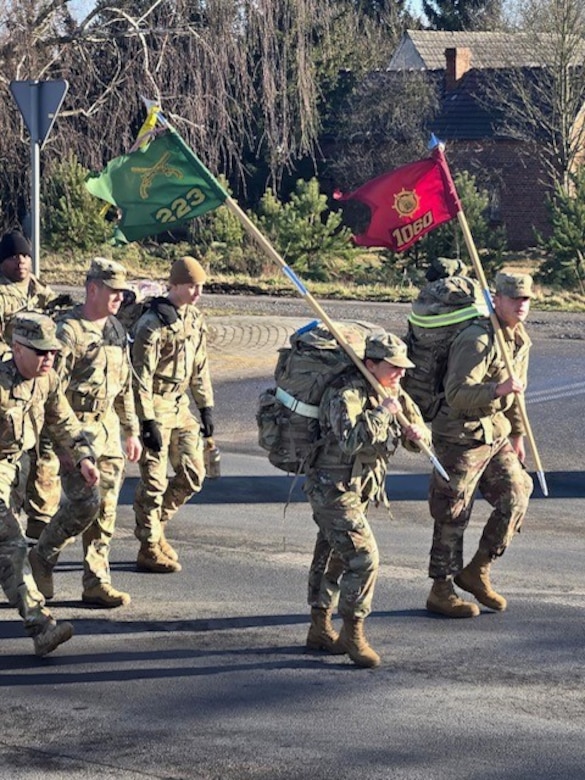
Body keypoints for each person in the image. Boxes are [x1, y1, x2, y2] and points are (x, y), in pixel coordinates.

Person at [304, 333, 427, 668]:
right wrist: (384, 413)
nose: (402, 373)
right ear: (370, 365)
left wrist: (417, 435)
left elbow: (418, 434)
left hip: (359, 488)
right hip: (331, 488)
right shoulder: (346, 393)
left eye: (404, 367)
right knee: (363, 557)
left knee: (333, 554)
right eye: (394, 367)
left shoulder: (392, 391)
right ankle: (353, 631)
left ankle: (318, 628)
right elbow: (350, 440)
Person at [29, 258, 142, 608]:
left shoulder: (116, 331)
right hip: (74, 432)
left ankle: (96, 580)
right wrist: (62, 447)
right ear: (92, 289)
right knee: (86, 503)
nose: (119, 298)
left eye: (122, 293)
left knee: (106, 508)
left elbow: (125, 386)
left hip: (106, 430)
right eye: (113, 291)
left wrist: (131, 430)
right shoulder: (68, 332)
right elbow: (50, 393)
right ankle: (43, 555)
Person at [426, 271, 535, 618]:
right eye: (514, 298)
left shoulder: (519, 340)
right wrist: (495, 391)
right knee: (453, 511)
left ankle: (477, 570)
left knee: (518, 493)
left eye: (525, 299)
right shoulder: (477, 339)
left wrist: (517, 433)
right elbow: (457, 395)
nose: (521, 304)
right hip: (460, 435)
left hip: (495, 433)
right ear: (497, 299)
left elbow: (518, 392)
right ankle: (440, 589)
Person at [0, 313, 100, 656]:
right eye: (41, 352)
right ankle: (41, 626)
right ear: (17, 347)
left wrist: (83, 456)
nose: (49, 359)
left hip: (19, 467)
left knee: (88, 500)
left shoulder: (47, 379)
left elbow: (63, 420)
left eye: (53, 353)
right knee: (10, 544)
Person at [131, 256, 214, 573]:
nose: (197, 293)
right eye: (192, 286)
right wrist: (146, 420)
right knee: (153, 481)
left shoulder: (194, 319)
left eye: (200, 287)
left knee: (194, 474)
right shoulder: (151, 324)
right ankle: (148, 546)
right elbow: (139, 376)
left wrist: (206, 406)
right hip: (155, 403)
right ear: (175, 285)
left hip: (180, 406)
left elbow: (201, 366)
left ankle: (156, 525)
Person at [0, 230, 72, 540]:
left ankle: (39, 516)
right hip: (9, 378)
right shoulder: (2, 294)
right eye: (14, 256)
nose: (21, 261)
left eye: (26, 255)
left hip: (35, 378)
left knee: (41, 444)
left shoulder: (34, 287)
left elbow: (52, 302)